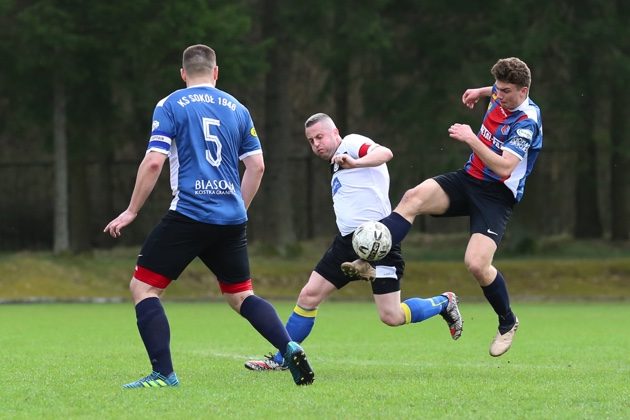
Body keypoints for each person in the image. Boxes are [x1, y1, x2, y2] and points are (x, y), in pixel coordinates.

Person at [103, 44, 314, 387]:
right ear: (216, 72)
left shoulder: (170, 104)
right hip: (230, 220)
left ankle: (164, 374)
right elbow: (257, 167)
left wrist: (131, 211)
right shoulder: (238, 109)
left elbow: (155, 160)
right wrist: (237, 210)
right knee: (241, 295)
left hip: (189, 213)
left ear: (183, 73)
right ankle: (288, 345)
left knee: (143, 289)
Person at [344, 57, 542, 357]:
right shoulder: (502, 92)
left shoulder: (526, 123)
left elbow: (503, 168)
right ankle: (371, 259)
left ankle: (507, 321)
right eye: (497, 89)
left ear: (523, 91)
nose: (498, 95)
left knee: (477, 264)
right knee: (413, 198)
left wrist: (471, 138)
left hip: (497, 196)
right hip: (468, 180)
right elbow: (494, 88)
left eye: (505, 91)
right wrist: (479, 91)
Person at [244, 113, 463, 371]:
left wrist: (356, 162)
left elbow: (385, 153)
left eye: (320, 137)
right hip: (346, 243)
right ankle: (283, 359)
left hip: (378, 240)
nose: (316, 144)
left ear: (335, 132)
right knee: (308, 295)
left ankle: (444, 302)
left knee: (391, 316)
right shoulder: (336, 164)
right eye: (311, 141)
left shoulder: (351, 144)